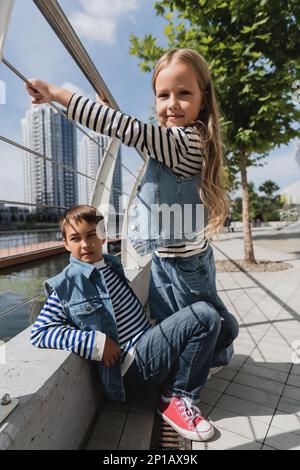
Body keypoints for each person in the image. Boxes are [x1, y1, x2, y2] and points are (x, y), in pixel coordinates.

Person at [30, 205, 227, 442]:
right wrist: (96, 342)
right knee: (204, 316)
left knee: (227, 326)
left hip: (148, 342)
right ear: (65, 244)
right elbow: (40, 332)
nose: (85, 244)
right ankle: (176, 397)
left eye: (91, 235)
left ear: (101, 235)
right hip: (132, 366)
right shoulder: (68, 284)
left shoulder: (111, 264)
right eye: (75, 238)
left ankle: (183, 375)